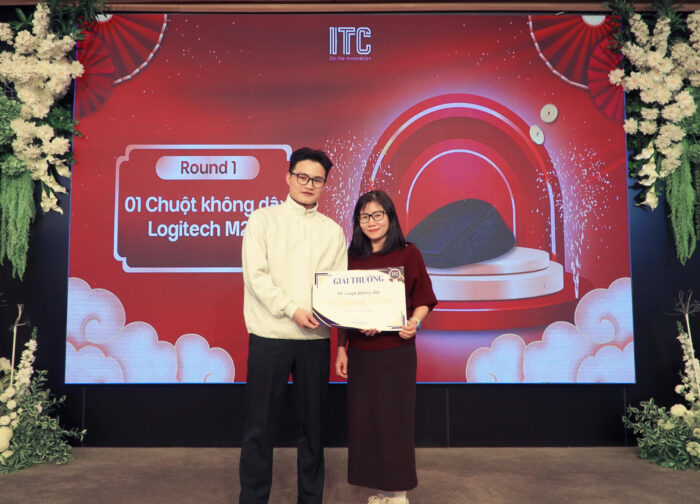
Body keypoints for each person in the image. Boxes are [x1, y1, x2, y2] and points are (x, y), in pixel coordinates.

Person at [239, 147, 348, 504]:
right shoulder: (263, 220)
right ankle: (253, 498)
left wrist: (341, 319)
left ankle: (310, 499)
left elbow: (338, 285)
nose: (309, 184)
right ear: (288, 177)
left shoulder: (332, 231)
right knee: (259, 426)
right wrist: (290, 309)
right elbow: (256, 277)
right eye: (302, 176)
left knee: (313, 428)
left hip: (315, 339)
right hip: (269, 335)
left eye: (317, 180)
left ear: (325, 185)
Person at [335, 190, 437, 504]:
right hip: (362, 354)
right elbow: (342, 307)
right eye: (365, 216)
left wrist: (414, 322)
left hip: (396, 352)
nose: (372, 222)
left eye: (378, 215)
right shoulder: (351, 257)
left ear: (390, 218)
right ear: (358, 221)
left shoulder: (408, 253)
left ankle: (399, 493)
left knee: (395, 421)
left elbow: (425, 299)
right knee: (366, 422)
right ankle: (381, 490)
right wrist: (342, 348)